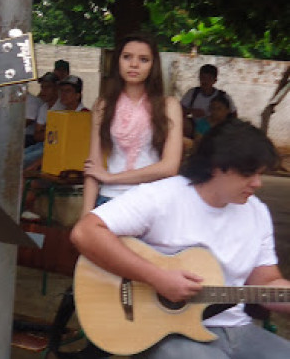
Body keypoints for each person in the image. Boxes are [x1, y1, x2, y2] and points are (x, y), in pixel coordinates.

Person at [71, 119, 290, 358]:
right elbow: (86, 232)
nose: (257, 184)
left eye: (260, 174)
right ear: (218, 166)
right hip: (167, 333)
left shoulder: (257, 212)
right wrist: (158, 278)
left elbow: (267, 282)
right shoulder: (163, 197)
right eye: (249, 174)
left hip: (237, 330)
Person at [81, 33, 183, 216]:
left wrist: (111, 178)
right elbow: (93, 165)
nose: (134, 64)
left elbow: (170, 167)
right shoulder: (102, 105)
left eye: (143, 59)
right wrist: (86, 214)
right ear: (118, 61)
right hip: (108, 201)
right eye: (127, 57)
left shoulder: (169, 106)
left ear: (153, 65)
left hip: (151, 201)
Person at [181, 63, 236, 138]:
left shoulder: (223, 96)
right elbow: (179, 110)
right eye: (202, 78)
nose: (205, 81)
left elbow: (233, 114)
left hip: (216, 128)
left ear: (215, 80)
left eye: (209, 78)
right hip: (195, 126)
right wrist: (192, 111)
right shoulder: (193, 93)